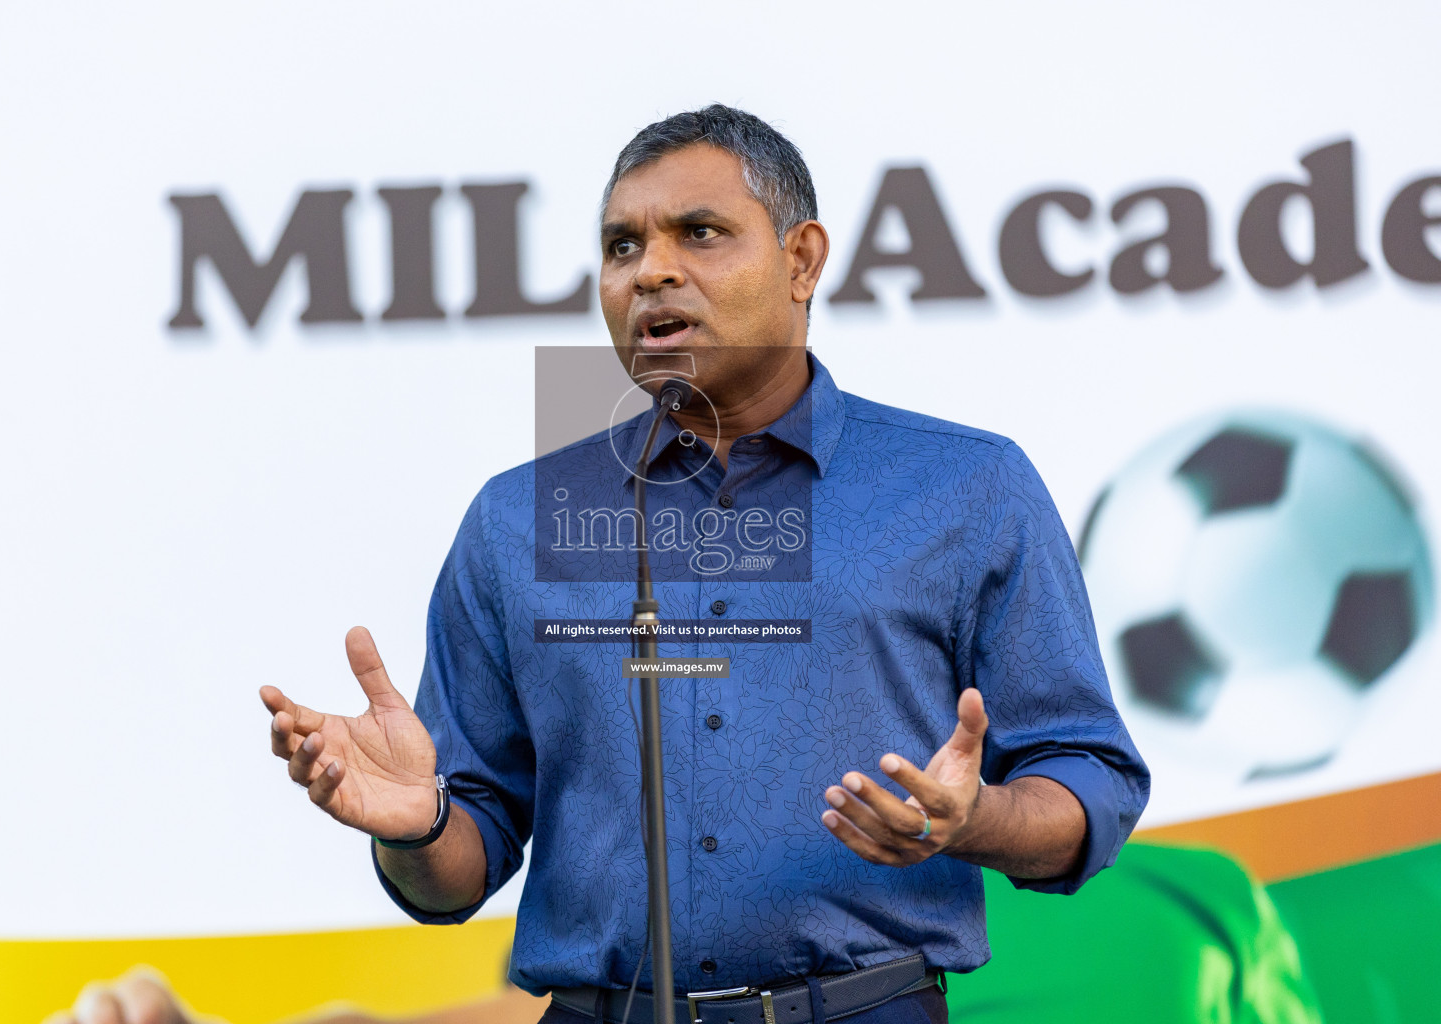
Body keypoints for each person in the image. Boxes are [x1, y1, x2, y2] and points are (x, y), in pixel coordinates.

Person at [256, 105, 1150, 1024]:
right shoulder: (518, 519)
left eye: (700, 233)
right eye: (620, 247)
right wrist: (422, 827)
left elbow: (1088, 777)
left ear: (801, 260)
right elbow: (457, 866)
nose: (652, 271)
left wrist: (978, 822)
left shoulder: (965, 488)